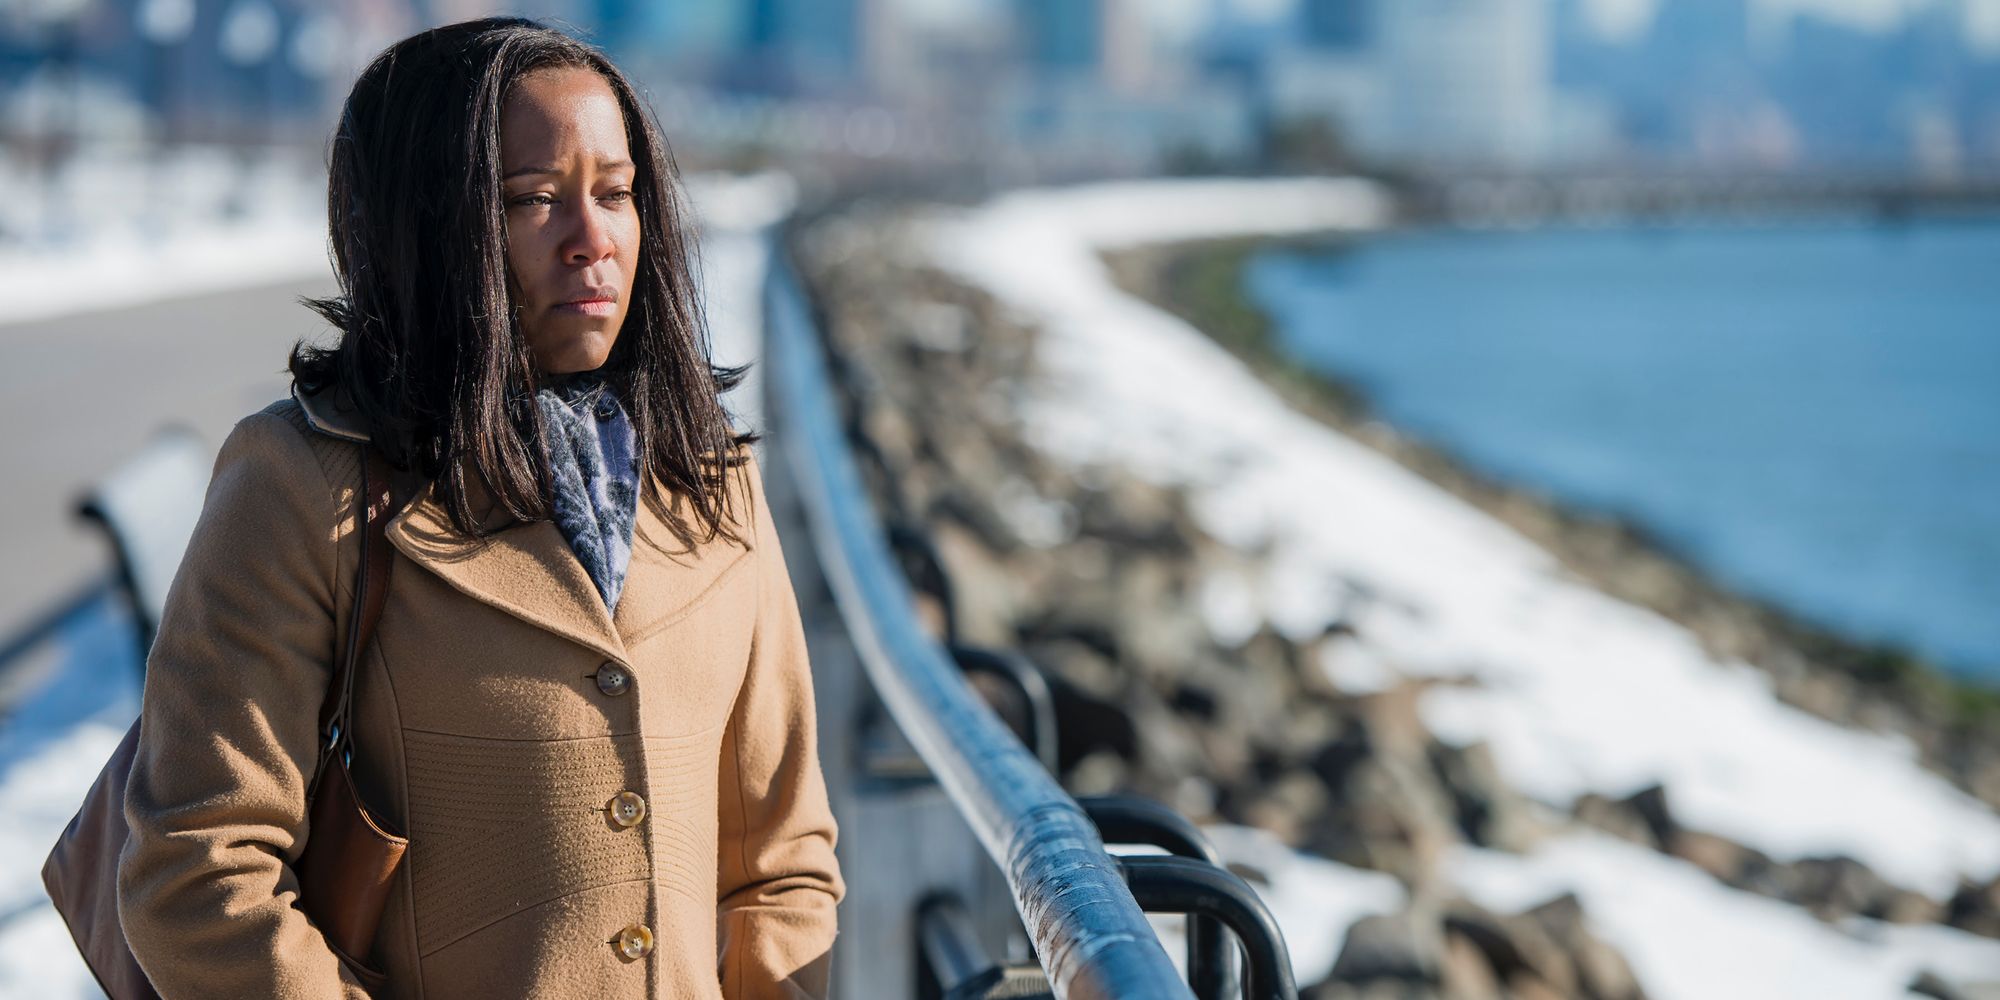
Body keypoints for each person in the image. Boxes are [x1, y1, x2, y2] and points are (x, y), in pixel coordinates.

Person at [113, 17, 842, 999]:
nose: (593, 241)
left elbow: (781, 856)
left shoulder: (709, 480)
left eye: (617, 194)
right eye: (533, 201)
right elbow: (197, 866)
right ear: (426, 229)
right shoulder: (305, 482)